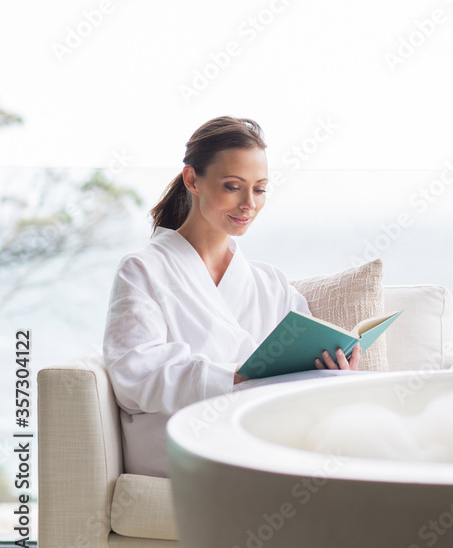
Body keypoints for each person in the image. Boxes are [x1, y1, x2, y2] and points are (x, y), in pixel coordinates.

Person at [103, 116, 359, 477]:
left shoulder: (270, 283)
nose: (248, 204)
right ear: (192, 179)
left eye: (260, 189)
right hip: (180, 442)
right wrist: (235, 378)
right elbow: (136, 374)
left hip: (259, 433)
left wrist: (332, 372)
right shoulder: (144, 269)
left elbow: (297, 375)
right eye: (232, 186)